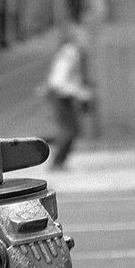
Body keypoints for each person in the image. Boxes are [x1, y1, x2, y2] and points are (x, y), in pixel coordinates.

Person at [44, 25, 91, 169]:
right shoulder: (70, 52)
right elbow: (60, 77)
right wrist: (78, 93)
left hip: (64, 94)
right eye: (83, 37)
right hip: (61, 95)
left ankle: (59, 161)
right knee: (69, 129)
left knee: (71, 128)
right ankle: (57, 162)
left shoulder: (73, 52)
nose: (86, 41)